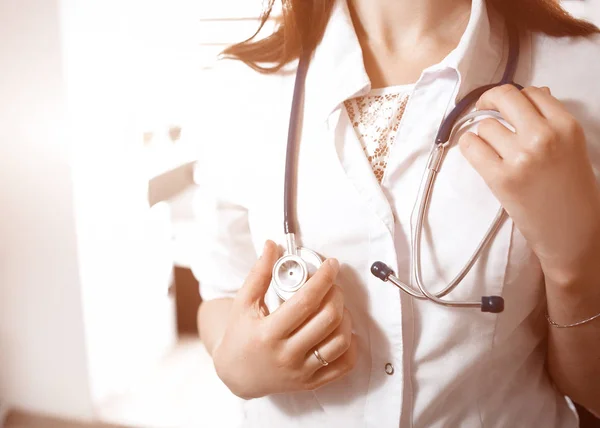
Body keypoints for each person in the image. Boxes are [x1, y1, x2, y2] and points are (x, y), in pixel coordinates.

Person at [193, 0, 600, 426]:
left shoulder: (583, 73)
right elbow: (221, 293)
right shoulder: (238, 87)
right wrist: (236, 365)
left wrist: (574, 261)